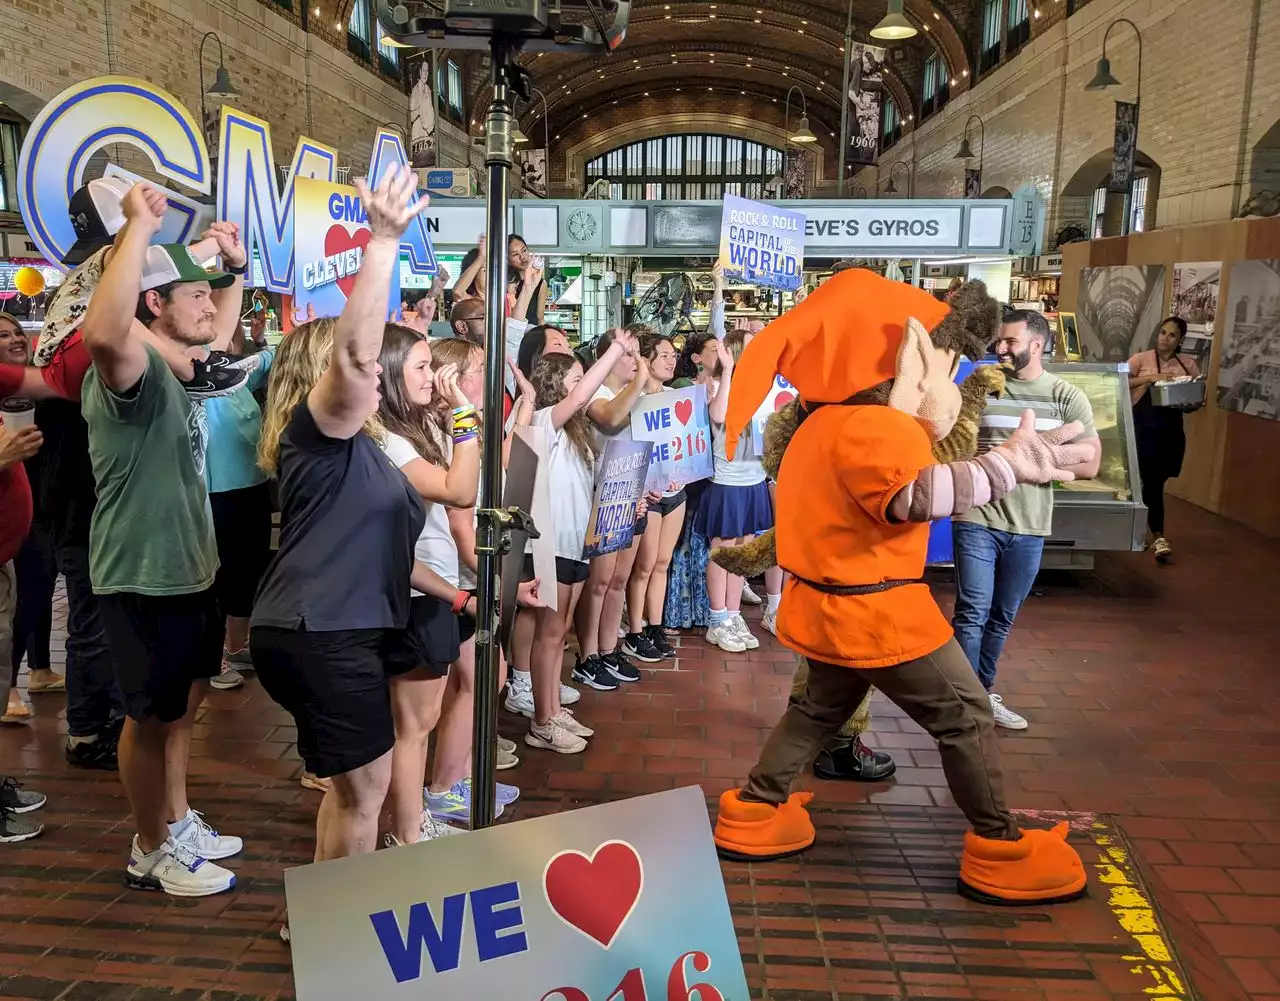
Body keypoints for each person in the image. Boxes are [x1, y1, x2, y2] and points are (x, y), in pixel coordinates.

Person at [711, 270, 1093, 906]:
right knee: (965, 717)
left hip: (825, 605)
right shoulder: (874, 428)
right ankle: (1000, 847)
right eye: (941, 361)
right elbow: (914, 498)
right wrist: (1012, 465)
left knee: (816, 709)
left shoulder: (814, 424)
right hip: (877, 611)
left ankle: (755, 810)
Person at [80, 182, 245, 897]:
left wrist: (230, 273)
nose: (210, 307)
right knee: (149, 719)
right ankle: (150, 845)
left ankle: (174, 820)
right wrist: (138, 230)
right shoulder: (133, 369)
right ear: (153, 302)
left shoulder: (178, 365)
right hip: (142, 573)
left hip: (187, 568)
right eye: (196, 296)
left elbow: (218, 334)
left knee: (179, 709)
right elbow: (100, 332)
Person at [951, 310, 1101, 730]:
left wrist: (1036, 459)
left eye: (1010, 341)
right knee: (972, 610)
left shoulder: (1066, 396)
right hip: (976, 515)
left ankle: (980, 692)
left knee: (1002, 614)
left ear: (1037, 344)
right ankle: (966, 702)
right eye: (999, 340)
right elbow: (954, 444)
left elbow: (1091, 464)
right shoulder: (981, 387)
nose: (1000, 348)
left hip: (1031, 524)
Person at [518, 337, 632, 753]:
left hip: (572, 542)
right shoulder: (545, 419)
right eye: (577, 378)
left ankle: (551, 708)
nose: (584, 385)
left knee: (559, 631)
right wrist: (615, 352)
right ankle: (542, 719)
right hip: (549, 544)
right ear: (558, 385)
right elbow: (586, 394)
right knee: (549, 635)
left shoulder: (577, 431)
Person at [572, 328, 649, 690]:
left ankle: (608, 647)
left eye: (635, 354)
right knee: (599, 583)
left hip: (630, 493)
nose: (635, 361)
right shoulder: (598, 393)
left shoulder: (635, 391)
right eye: (626, 354)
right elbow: (612, 418)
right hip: (603, 496)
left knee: (618, 580)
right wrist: (641, 383)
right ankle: (586, 656)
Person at [697, 330, 773, 654]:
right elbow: (717, 416)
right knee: (723, 549)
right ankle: (717, 620)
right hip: (727, 480)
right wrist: (727, 371)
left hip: (754, 477)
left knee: (742, 548)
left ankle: (732, 614)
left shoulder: (763, 387)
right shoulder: (715, 383)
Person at [0, 317, 61, 724]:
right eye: (3, 336)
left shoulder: (30, 391)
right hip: (11, 535)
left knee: (35, 589)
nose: (15, 339)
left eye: (17, 332)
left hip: (33, 515)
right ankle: (10, 687)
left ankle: (32, 671)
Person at [621, 330, 686, 662]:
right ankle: (635, 629)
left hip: (676, 490)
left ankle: (654, 624)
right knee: (643, 567)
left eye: (673, 355)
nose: (672, 359)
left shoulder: (677, 398)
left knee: (663, 562)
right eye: (664, 355)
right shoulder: (631, 401)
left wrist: (682, 474)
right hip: (646, 495)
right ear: (645, 360)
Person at [1127, 317, 1200, 564]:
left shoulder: (1188, 365)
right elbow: (1120, 381)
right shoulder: (1140, 360)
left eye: (1171, 335)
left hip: (1169, 431)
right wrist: (1151, 378)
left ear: (1180, 340)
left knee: (1155, 481)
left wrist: (1189, 401)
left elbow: (1194, 401)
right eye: (1162, 332)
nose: (1164, 338)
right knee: (1151, 482)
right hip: (1141, 428)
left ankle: (1142, 530)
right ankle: (1159, 536)